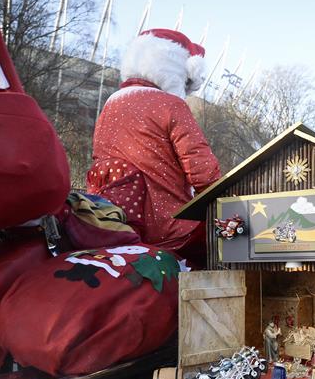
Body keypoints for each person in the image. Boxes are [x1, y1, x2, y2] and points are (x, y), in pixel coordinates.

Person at [87, 28, 221, 266]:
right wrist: (229, 206)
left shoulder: (110, 103)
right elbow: (203, 172)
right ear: (174, 71)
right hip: (171, 228)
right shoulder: (171, 105)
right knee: (228, 244)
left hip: (117, 221)